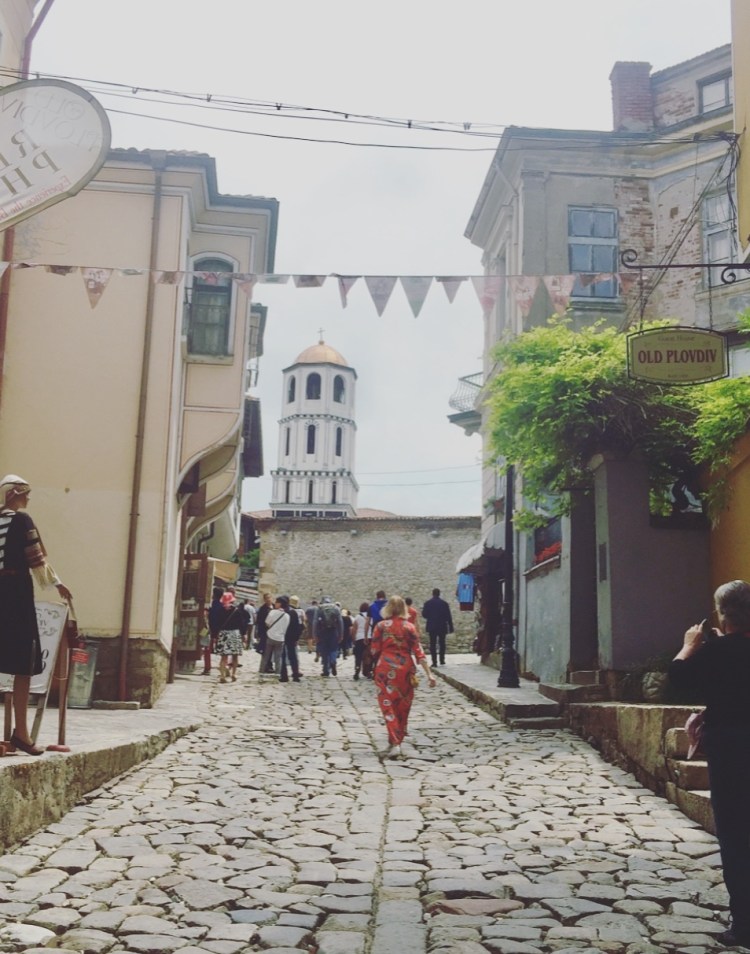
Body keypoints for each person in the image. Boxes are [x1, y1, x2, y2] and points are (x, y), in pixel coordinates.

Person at [668, 580, 750, 949]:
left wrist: (689, 646)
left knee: (735, 835)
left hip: (732, 750)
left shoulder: (715, 652)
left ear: (722, 614)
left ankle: (745, 923)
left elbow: (678, 679)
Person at [0, 475, 72, 756]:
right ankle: (21, 733)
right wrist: (58, 584)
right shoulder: (22, 520)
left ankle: (20, 734)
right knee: (23, 663)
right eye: (25, 494)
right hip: (15, 595)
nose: (28, 499)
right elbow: (37, 558)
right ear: (15, 494)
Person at [371, 595, 436, 759]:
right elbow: (419, 652)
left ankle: (395, 743)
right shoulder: (410, 627)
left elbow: (374, 649)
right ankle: (395, 741)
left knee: (387, 704)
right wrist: (429, 674)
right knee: (403, 705)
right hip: (406, 669)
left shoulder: (380, 626)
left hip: (385, 669)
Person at [422, 587, 454, 668]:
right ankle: (442, 660)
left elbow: (424, 614)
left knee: (432, 644)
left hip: (432, 626)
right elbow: (448, 616)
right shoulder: (444, 604)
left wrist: (431, 616)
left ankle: (434, 662)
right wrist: (451, 627)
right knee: (442, 643)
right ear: (439, 594)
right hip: (442, 626)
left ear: (432, 594)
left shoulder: (428, 603)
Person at [215, 597, 243, 683]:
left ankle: (222, 676)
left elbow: (216, 623)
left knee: (224, 656)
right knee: (235, 656)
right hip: (234, 633)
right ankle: (234, 674)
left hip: (224, 634)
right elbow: (241, 623)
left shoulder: (219, 610)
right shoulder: (236, 610)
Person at [259, 595, 289, 675]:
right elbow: (285, 628)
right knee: (278, 658)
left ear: (279, 604)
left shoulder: (272, 612)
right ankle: (278, 674)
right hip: (280, 638)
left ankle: (261, 672)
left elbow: (267, 623)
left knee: (266, 656)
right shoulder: (287, 615)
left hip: (270, 637)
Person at [314, 596, 343, 677]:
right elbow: (340, 622)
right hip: (333, 631)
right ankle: (333, 661)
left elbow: (315, 622)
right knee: (333, 649)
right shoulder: (336, 608)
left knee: (325, 651)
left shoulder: (319, 609)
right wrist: (341, 634)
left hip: (322, 632)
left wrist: (315, 635)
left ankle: (326, 670)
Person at [279, 595, 304, 683]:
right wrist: (296, 638)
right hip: (291, 638)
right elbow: (297, 626)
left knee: (282, 656)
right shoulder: (293, 612)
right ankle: (295, 675)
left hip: (282, 637)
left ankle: (284, 676)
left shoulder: (280, 612)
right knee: (293, 657)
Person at [203, 586, 225, 675]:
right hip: (220, 629)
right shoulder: (222, 606)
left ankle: (207, 668)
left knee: (206, 648)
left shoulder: (212, 606)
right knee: (223, 649)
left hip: (208, 629)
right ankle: (223, 666)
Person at [351, 601, 369, 681]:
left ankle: (357, 670)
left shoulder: (358, 617)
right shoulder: (370, 617)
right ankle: (368, 671)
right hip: (369, 638)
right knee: (368, 656)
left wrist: (353, 639)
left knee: (358, 656)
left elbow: (354, 629)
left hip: (359, 638)